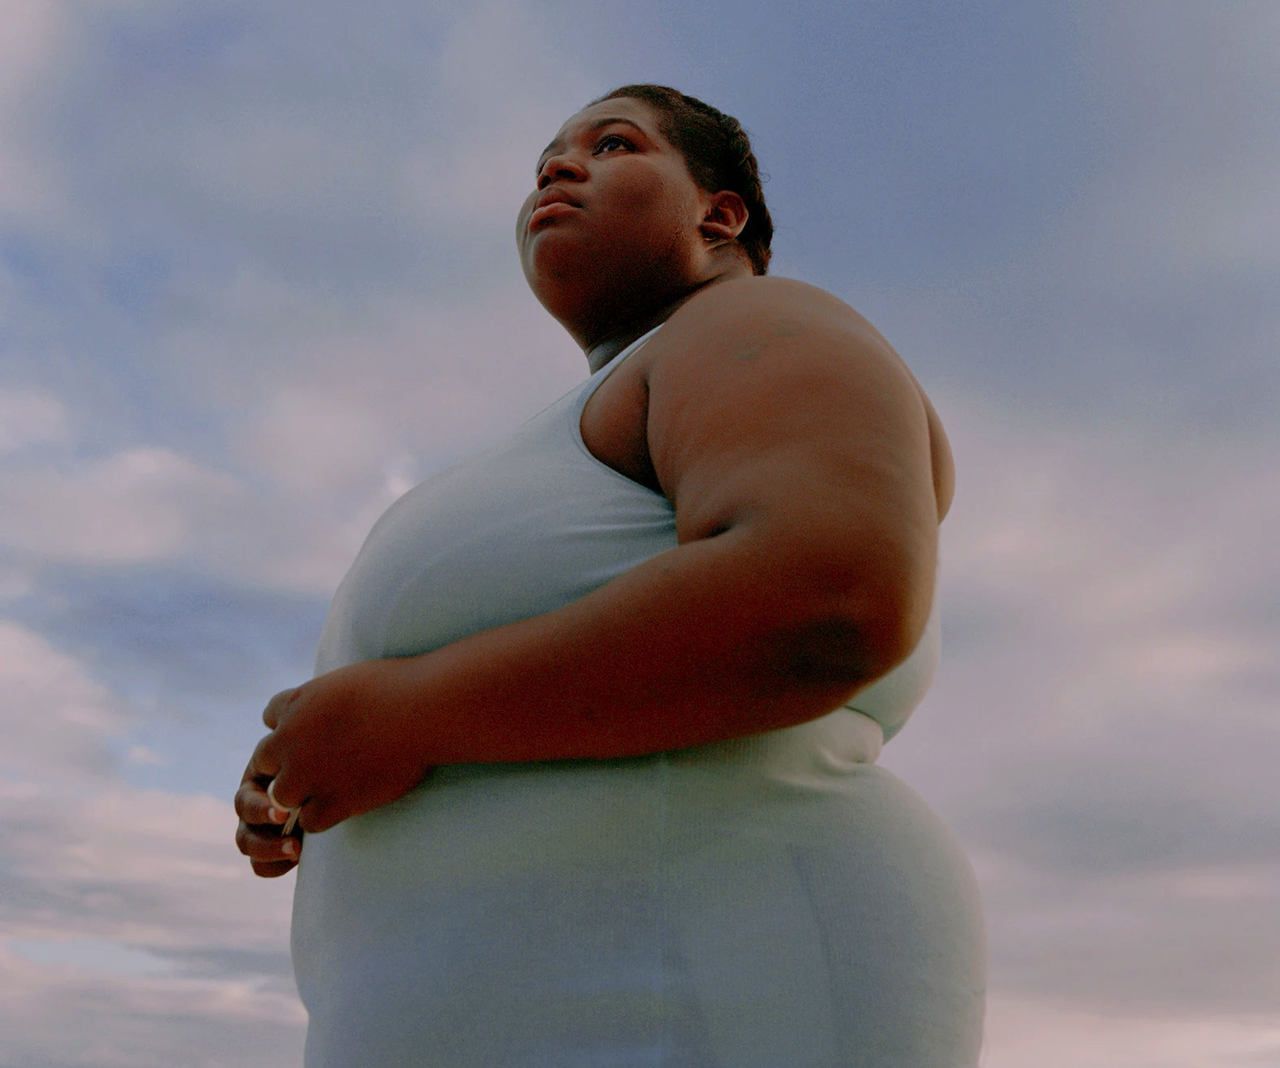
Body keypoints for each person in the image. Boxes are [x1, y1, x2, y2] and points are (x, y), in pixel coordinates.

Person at [234, 84, 986, 1067]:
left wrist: (404, 716)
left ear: (720, 215)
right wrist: (305, 781)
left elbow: (824, 595)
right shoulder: (576, 425)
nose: (556, 165)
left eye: (613, 144)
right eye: (546, 156)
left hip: (696, 992)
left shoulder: (752, 320)